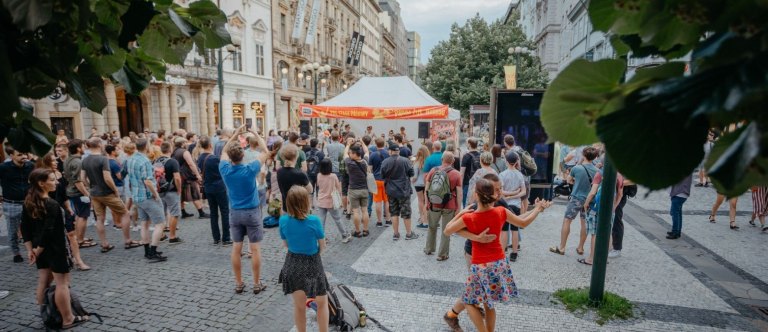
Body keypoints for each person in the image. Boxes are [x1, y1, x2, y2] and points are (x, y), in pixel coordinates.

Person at [444, 179, 551, 332]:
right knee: (489, 303)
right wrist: (537, 209)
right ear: (492, 195)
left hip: (480, 265)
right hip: (498, 263)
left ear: (476, 195)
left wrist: (460, 213)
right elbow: (523, 223)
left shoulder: (469, 217)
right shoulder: (500, 212)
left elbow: (447, 231)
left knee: (468, 301)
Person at [21, 169, 89, 329]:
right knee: (62, 283)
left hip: (40, 247)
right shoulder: (51, 204)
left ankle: (47, 313)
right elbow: (49, 230)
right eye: (52, 180)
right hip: (54, 248)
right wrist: (37, 251)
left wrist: (30, 249)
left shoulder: (29, 201)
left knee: (44, 280)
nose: (57, 182)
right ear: (41, 183)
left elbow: (25, 227)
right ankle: (68, 318)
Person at [220, 125, 269, 294]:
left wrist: (234, 134)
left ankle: (239, 283)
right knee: (255, 249)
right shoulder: (250, 169)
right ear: (243, 156)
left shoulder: (225, 169)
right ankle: (256, 283)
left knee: (236, 248)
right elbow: (265, 151)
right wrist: (255, 133)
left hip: (235, 212)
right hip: (252, 211)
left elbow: (223, 153)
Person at [279, 185, 331, 332]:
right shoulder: (314, 221)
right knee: (322, 303)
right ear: (306, 202)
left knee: (299, 306)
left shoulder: (283, 221)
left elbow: (286, 244)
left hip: (293, 263)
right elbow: (322, 246)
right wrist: (315, 254)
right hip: (313, 262)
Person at [80, 137, 139, 252]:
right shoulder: (103, 159)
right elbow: (107, 178)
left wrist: (90, 186)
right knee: (125, 213)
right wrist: (115, 190)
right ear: (99, 145)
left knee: (100, 219)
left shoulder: (85, 160)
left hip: (94, 193)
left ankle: (104, 243)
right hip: (106, 192)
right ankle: (128, 240)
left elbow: (82, 178)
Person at [37, 152, 90, 271]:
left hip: (62, 208)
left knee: (72, 235)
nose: (56, 162)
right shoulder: (42, 176)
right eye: (52, 160)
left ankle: (78, 260)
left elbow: (63, 194)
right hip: (50, 210)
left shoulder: (59, 174)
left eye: (56, 160)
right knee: (53, 236)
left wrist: (69, 208)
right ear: (46, 162)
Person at [549, 147, 599, 256]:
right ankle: (580, 248)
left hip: (576, 198)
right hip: (589, 200)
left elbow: (569, 180)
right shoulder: (597, 171)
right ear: (595, 157)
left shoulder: (577, 168)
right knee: (584, 223)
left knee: (567, 221)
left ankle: (562, 248)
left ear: (584, 156)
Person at [126, 138, 168, 261]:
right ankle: (153, 251)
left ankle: (147, 251)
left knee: (144, 223)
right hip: (147, 196)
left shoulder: (131, 159)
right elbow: (148, 181)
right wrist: (156, 194)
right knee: (160, 224)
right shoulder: (145, 161)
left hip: (137, 196)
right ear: (146, 146)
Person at [424, 152, 462, 261]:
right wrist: (458, 208)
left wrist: (427, 202)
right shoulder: (456, 174)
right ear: (453, 161)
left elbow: (427, 189)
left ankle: (429, 248)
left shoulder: (433, 170)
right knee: (446, 230)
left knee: (432, 226)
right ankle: (442, 254)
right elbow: (459, 193)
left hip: (434, 203)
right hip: (449, 205)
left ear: (442, 159)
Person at [580, 170, 624, 264]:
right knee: (607, 233)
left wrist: (586, 203)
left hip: (596, 208)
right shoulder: (619, 176)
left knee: (595, 233)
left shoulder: (600, 173)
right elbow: (620, 194)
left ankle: (591, 258)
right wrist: (614, 207)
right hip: (610, 209)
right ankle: (604, 258)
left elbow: (592, 192)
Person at [0, 146, 35, 262]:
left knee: (33, 227)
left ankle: (35, 250)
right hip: (11, 204)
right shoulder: (4, 168)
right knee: (12, 230)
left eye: (24, 153)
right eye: (19, 155)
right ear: (11, 156)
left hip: (28, 203)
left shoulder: (30, 166)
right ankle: (16, 253)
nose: (24, 157)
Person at [63, 139, 97, 251]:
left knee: (79, 216)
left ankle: (79, 238)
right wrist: (87, 194)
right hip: (78, 193)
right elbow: (78, 182)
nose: (84, 148)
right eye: (83, 146)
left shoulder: (68, 159)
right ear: (78, 148)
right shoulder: (78, 162)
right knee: (83, 216)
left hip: (72, 192)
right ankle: (80, 241)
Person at [381, 143, 418, 240]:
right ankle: (409, 234)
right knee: (406, 213)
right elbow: (411, 173)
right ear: (398, 151)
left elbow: (382, 175)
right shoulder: (406, 160)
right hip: (403, 190)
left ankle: (396, 234)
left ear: (390, 151)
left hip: (391, 190)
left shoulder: (385, 162)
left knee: (393, 212)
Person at [198, 136, 231, 245]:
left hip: (208, 188)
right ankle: (226, 238)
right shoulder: (214, 158)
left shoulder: (200, 158)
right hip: (219, 187)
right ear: (210, 145)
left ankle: (216, 238)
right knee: (224, 212)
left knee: (213, 213)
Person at [498, 151, 526, 262]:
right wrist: (514, 194)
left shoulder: (502, 175)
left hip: (504, 204)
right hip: (516, 204)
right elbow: (523, 192)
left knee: (504, 230)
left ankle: (502, 252)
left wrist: (508, 196)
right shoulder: (520, 175)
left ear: (506, 161)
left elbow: (501, 192)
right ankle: (514, 253)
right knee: (515, 229)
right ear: (516, 162)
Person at [315, 159, 351, 243]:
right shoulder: (333, 176)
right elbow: (338, 188)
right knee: (338, 219)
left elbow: (318, 185)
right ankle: (345, 235)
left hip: (321, 200)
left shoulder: (318, 175)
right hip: (331, 202)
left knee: (321, 221)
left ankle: (321, 238)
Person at [172, 137, 207, 219]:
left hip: (179, 175)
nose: (186, 144)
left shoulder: (174, 152)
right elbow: (191, 164)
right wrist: (198, 175)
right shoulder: (185, 152)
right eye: (185, 142)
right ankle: (201, 213)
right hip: (187, 176)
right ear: (182, 143)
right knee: (195, 193)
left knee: (181, 195)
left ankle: (183, 212)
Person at [158, 142, 183, 243]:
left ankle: (161, 235)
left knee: (161, 213)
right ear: (170, 150)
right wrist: (179, 189)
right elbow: (177, 178)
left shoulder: (156, 160)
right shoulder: (173, 162)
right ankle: (172, 237)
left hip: (159, 190)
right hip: (171, 190)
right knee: (174, 213)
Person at [277, 144, 312, 212]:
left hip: (286, 207)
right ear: (297, 156)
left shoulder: (279, 172)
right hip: (299, 208)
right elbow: (310, 190)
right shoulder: (300, 174)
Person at [345, 145, 370, 237]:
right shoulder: (365, 162)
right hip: (364, 189)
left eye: (351, 153)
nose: (349, 154)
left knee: (356, 212)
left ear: (355, 154)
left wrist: (348, 144)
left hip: (354, 190)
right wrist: (363, 142)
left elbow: (345, 154)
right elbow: (367, 152)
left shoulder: (349, 163)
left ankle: (358, 231)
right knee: (365, 210)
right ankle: (366, 230)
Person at [368, 137, 391, 227]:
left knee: (378, 202)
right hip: (386, 180)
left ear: (376, 144)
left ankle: (379, 221)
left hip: (376, 180)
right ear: (384, 143)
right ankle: (388, 220)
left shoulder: (373, 155)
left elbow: (369, 169)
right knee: (386, 201)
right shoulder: (388, 153)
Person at [667, 175, 693, 239]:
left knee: (675, 213)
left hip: (679, 193)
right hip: (682, 193)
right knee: (678, 213)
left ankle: (675, 232)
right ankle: (678, 232)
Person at [412, 146, 430, 228]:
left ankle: (422, 219)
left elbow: (415, 176)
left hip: (418, 184)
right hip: (427, 183)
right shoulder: (429, 162)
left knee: (420, 201)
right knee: (426, 201)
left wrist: (411, 181)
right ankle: (427, 218)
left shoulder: (417, 163)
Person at [460, 137, 481, 207]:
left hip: (467, 183)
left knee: (467, 205)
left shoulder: (466, 156)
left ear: (469, 144)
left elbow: (462, 173)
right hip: (479, 183)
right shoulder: (480, 155)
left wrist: (460, 186)